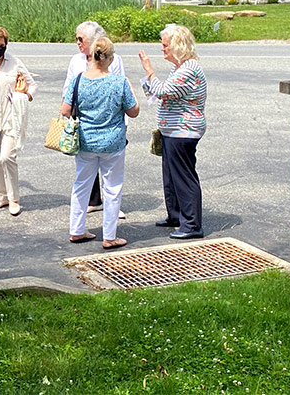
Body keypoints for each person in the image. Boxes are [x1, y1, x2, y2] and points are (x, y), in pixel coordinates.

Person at [60, 37, 139, 249]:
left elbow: (65, 110)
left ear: (92, 56)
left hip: (85, 141)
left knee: (81, 185)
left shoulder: (78, 80)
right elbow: (134, 111)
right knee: (112, 188)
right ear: (110, 59)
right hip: (112, 142)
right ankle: (110, 235)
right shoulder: (119, 82)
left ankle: (76, 230)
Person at [138, 24, 207, 239]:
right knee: (170, 176)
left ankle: (192, 225)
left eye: (165, 45)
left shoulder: (189, 68)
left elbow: (164, 91)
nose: (162, 48)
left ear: (177, 46)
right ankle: (176, 216)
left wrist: (149, 71)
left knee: (183, 176)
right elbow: (165, 93)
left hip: (183, 131)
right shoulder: (179, 67)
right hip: (173, 130)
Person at [63, 21, 127, 219]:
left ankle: (111, 211)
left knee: (110, 177)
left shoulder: (114, 60)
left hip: (109, 123)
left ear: (93, 41)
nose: (77, 42)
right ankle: (94, 207)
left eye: (80, 39)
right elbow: (67, 90)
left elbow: (121, 94)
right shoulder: (76, 61)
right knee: (84, 175)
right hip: (83, 123)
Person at [0, 26, 36, 216]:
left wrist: (26, 96)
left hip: (11, 118)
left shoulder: (15, 63)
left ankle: (14, 198)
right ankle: (1, 195)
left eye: (2, 46)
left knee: (7, 157)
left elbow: (32, 85)